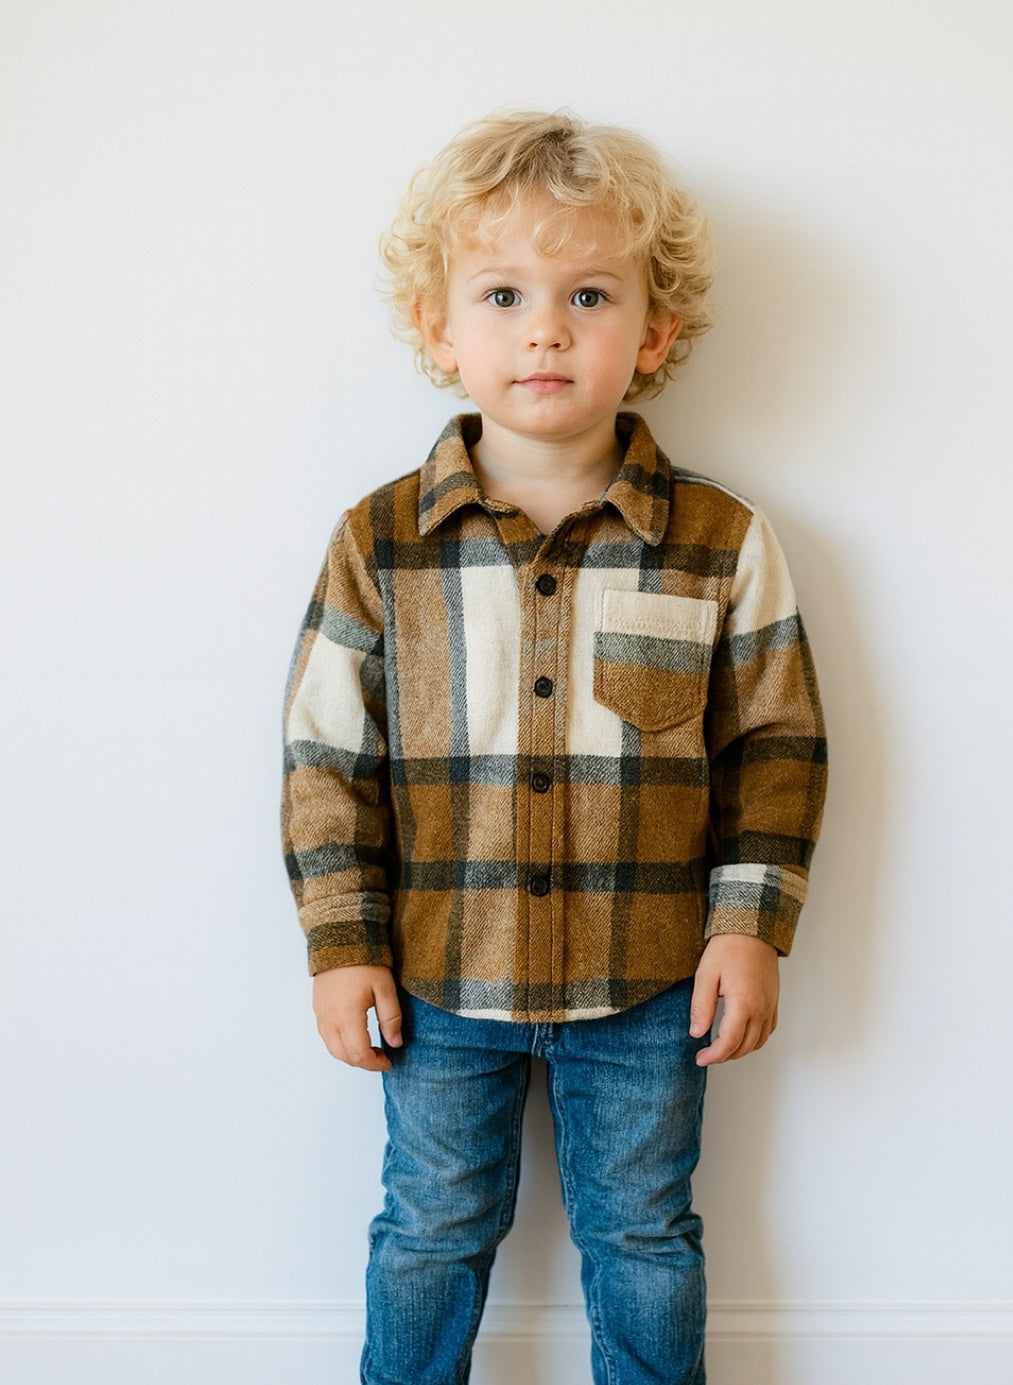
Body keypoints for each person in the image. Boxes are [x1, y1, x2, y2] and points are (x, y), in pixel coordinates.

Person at [282, 110, 827, 1385]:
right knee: (427, 1232)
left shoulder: (720, 539)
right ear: (437, 328)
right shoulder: (380, 542)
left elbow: (779, 746)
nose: (544, 328)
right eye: (503, 294)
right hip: (434, 981)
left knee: (643, 1237)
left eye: (588, 293)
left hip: (647, 985)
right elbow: (324, 755)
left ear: (653, 334)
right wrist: (341, 941)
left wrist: (749, 924)